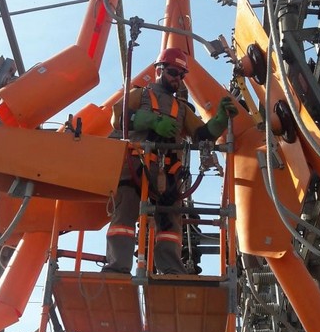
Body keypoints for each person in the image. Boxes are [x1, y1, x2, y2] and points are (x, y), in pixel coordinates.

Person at [102, 48, 238, 275]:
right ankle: (118, 266)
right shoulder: (141, 95)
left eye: (181, 75)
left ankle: (172, 270)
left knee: (170, 223)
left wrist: (220, 119)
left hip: (168, 174)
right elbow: (118, 117)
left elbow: (202, 135)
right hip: (137, 167)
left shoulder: (182, 109)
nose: (177, 79)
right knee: (124, 214)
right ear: (159, 70)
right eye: (173, 72)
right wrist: (151, 121)